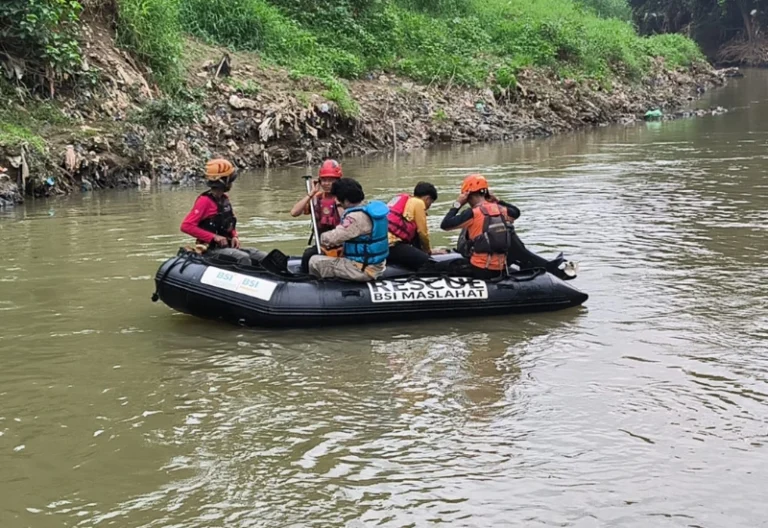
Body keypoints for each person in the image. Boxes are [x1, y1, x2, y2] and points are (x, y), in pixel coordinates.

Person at [442, 174, 576, 280]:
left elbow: (446, 225)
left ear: (467, 195)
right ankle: (548, 267)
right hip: (499, 267)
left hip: (480, 268)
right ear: (486, 193)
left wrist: (457, 203)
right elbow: (516, 212)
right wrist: (497, 200)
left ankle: (546, 267)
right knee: (509, 233)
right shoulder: (501, 209)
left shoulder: (471, 213)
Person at [180, 158, 266, 265]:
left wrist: (234, 236)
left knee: (261, 256)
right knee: (242, 258)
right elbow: (186, 226)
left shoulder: (224, 199)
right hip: (211, 250)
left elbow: (229, 222)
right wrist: (214, 237)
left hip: (227, 248)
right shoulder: (204, 201)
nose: (231, 184)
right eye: (230, 180)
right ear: (222, 181)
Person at [308, 178, 389, 282]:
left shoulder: (355, 218)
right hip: (377, 265)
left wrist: (321, 237)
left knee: (314, 261)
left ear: (345, 200)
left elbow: (331, 238)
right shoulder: (371, 210)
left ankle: (320, 289)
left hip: (362, 270)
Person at [290, 159, 343, 273]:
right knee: (307, 255)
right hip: (322, 245)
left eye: (331, 180)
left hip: (342, 246)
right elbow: (294, 212)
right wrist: (311, 193)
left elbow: (347, 221)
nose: (327, 183)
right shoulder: (316, 198)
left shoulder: (345, 197)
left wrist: (339, 200)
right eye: (324, 180)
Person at [386, 181, 445, 271]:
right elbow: (422, 233)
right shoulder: (419, 203)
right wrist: (428, 252)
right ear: (427, 198)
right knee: (430, 265)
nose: (429, 206)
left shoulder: (405, 201)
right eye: (431, 203)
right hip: (392, 246)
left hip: (381, 246)